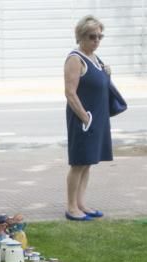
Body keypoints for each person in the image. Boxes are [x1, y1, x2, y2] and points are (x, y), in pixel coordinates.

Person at [64, 15, 113, 221]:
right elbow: (70, 92)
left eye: (100, 36)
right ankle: (71, 207)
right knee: (78, 163)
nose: (97, 41)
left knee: (88, 163)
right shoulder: (75, 59)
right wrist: (85, 118)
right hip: (83, 118)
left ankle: (81, 203)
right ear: (81, 36)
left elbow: (98, 86)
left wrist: (108, 74)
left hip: (97, 118)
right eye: (93, 36)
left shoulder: (95, 58)